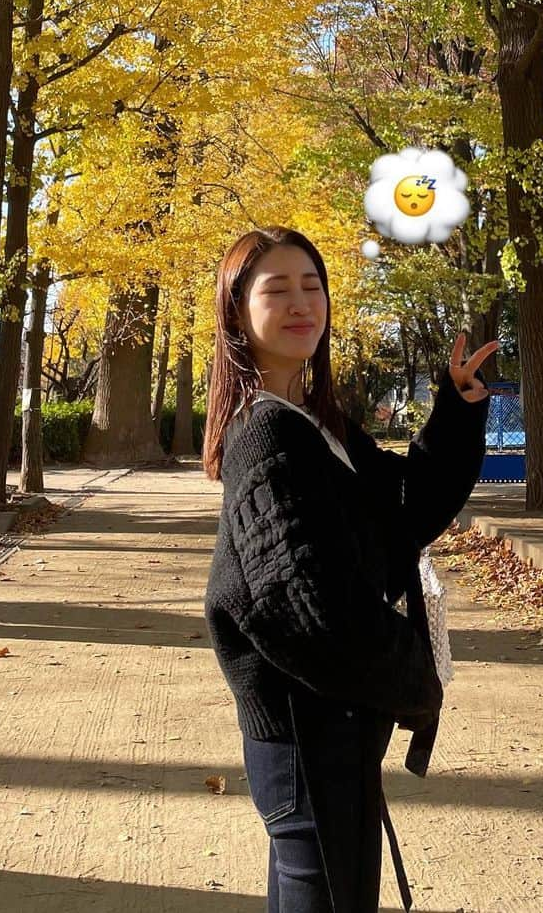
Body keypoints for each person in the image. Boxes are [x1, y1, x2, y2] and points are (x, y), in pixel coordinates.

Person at [203, 226, 496, 912]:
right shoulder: (266, 434)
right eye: (277, 289)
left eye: (312, 285)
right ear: (237, 315)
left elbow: (406, 505)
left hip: (333, 725)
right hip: (305, 736)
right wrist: (414, 678)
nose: (302, 302)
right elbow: (306, 610)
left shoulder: (316, 421)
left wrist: (454, 411)